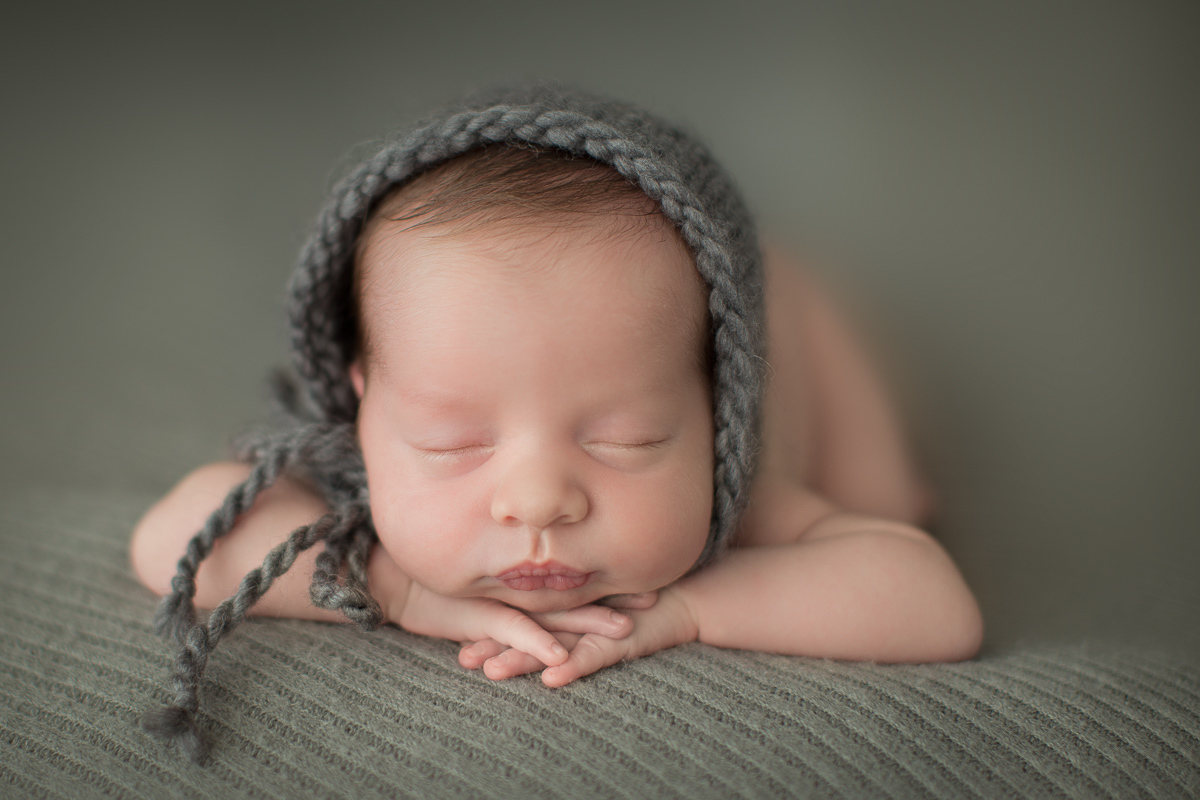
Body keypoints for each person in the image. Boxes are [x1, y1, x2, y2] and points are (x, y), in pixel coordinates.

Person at [130, 83, 981, 761]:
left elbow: (933, 602)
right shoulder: (364, 466)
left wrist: (688, 609)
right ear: (361, 408)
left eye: (629, 438)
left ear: (719, 415)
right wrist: (397, 587)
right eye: (450, 442)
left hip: (794, 317)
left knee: (879, 493)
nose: (538, 501)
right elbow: (173, 535)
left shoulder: (742, 488)